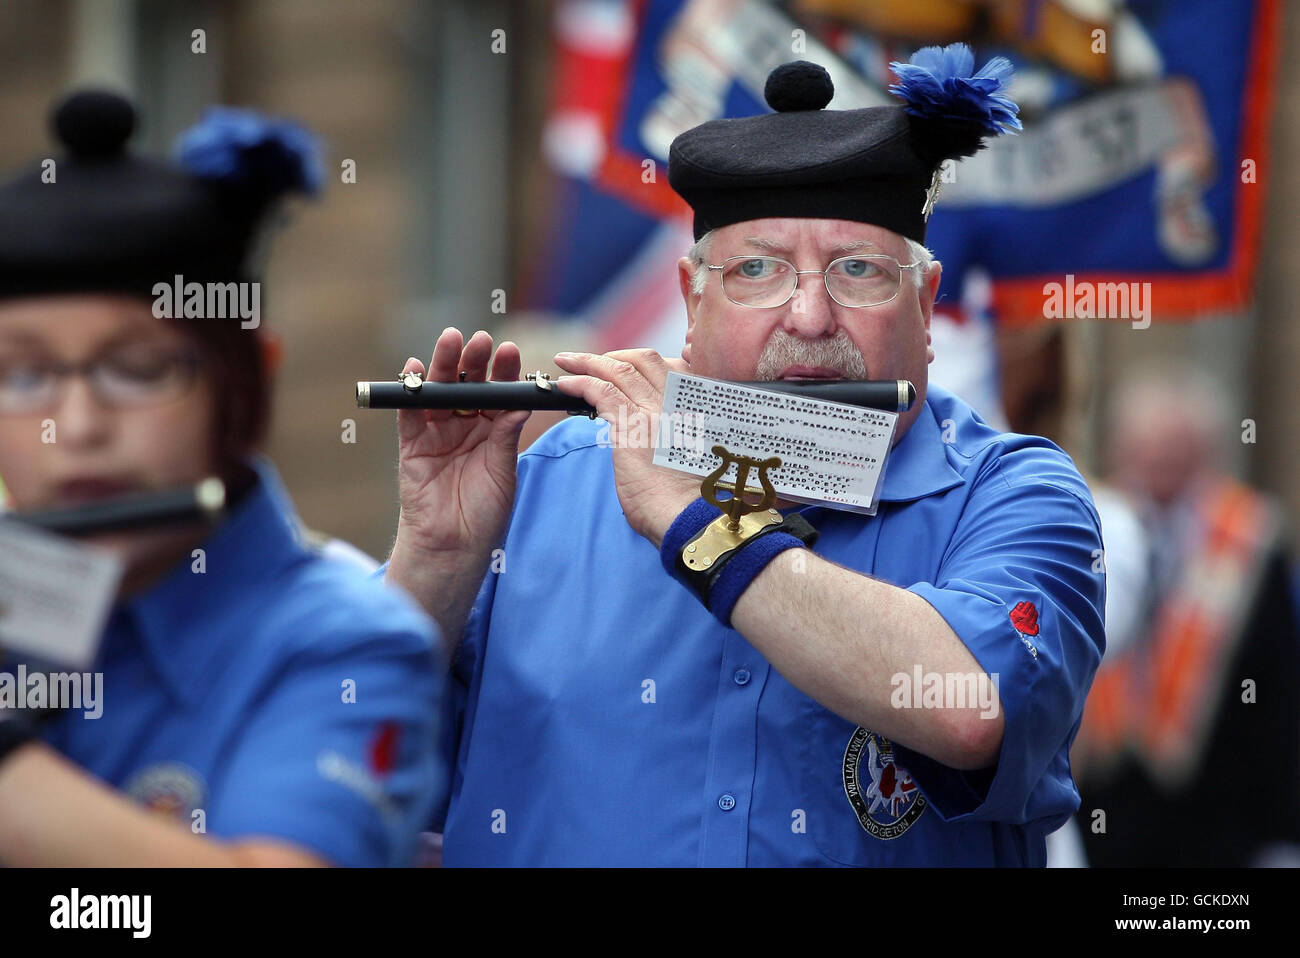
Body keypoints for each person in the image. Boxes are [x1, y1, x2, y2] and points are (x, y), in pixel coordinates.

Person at [385, 49, 1106, 865]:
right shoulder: (552, 482)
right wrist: (434, 558)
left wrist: (701, 521)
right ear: (693, 305)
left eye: (858, 271)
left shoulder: (1012, 495)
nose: (807, 315)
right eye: (757, 270)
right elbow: (355, 769)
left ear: (926, 305)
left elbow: (969, 709)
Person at [0, 90, 445, 867]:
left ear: (247, 384)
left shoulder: (345, 643)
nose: (75, 427)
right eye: (21, 376)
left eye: (137, 370)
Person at [1073, 367, 1300, 866]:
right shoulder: (1089, 530)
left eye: (1176, 448)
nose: (1159, 462)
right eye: (1144, 447)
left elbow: (1280, 693)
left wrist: (1283, 831)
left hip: (1220, 818)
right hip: (1105, 813)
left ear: (1205, 453)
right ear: (1118, 450)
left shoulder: (1252, 539)